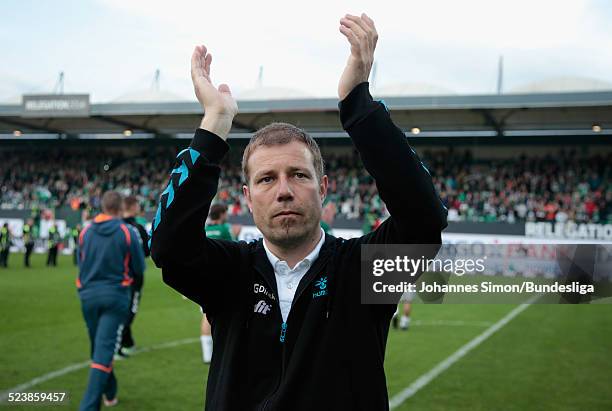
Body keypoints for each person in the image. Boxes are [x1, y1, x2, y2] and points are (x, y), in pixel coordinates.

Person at [150, 13, 446, 410]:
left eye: (299, 175)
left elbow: (424, 217)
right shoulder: (228, 273)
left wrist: (357, 101)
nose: (284, 191)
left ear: (323, 188)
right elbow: (167, 246)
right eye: (267, 179)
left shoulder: (362, 272)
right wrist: (215, 123)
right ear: (247, 197)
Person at [76, 191, 145, 410]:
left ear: (104, 207)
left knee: (98, 347)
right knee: (103, 350)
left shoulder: (85, 232)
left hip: (88, 295)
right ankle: (88, 406)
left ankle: (110, 391)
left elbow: (81, 262)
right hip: (115, 296)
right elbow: (138, 268)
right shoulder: (126, 231)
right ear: (120, 207)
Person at [200, 203, 241, 363]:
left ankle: (207, 354)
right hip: (223, 276)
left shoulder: (206, 230)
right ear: (222, 214)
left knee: (206, 314)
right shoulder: (225, 229)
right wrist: (236, 234)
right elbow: (235, 247)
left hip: (204, 275)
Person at [118, 195, 150, 357]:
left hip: (115, 276)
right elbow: (145, 252)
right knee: (129, 310)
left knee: (120, 308)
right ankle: (119, 345)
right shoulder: (137, 228)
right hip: (133, 276)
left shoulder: (114, 226)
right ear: (132, 206)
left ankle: (127, 342)